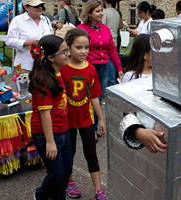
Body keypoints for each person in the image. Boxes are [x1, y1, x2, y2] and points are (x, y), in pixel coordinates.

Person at [61, 28, 107, 200]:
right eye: (79, 47)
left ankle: (98, 190)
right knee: (69, 153)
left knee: (91, 154)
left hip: (86, 120)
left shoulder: (91, 69)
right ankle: (69, 182)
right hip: (66, 121)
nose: (83, 51)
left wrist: (101, 118)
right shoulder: (63, 68)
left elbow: (94, 96)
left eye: (86, 47)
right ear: (68, 48)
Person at [29, 34, 72, 200]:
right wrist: (50, 141)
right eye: (64, 51)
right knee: (56, 173)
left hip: (63, 130)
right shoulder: (43, 80)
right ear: (50, 58)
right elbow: (44, 113)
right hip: (46, 134)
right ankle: (40, 195)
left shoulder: (60, 72)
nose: (68, 54)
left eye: (67, 49)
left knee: (66, 171)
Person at [77, 0, 123, 135]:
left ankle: (94, 127)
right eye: (98, 11)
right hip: (87, 68)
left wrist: (119, 68)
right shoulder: (81, 29)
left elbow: (112, 50)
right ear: (90, 13)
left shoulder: (106, 29)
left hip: (104, 68)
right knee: (84, 98)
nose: (102, 13)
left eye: (102, 10)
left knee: (98, 98)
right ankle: (85, 126)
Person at [5, 0, 53, 72]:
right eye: (36, 6)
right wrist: (26, 43)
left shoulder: (46, 20)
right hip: (25, 66)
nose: (40, 8)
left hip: (44, 66)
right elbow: (9, 41)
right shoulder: (17, 20)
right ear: (26, 7)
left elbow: (51, 37)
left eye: (41, 5)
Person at [102, 0, 120, 87]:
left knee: (108, 64)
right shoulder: (116, 12)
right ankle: (112, 83)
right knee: (112, 62)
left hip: (107, 40)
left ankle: (108, 85)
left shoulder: (105, 12)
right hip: (115, 39)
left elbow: (102, 26)